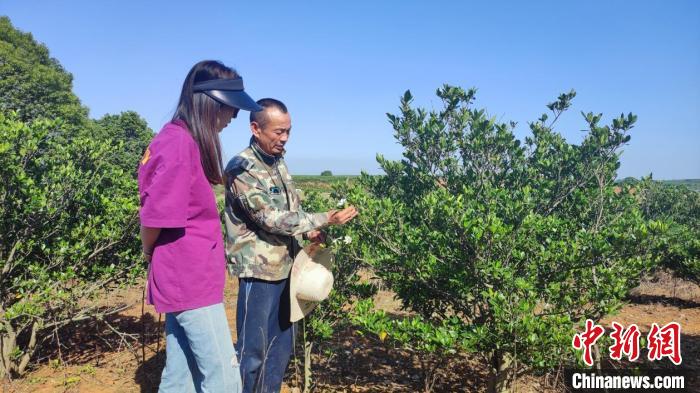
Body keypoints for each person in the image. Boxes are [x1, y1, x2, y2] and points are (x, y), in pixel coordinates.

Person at [138, 60, 262, 393]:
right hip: (188, 279)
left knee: (182, 376)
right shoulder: (177, 143)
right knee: (224, 380)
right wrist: (148, 252)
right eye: (230, 109)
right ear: (209, 103)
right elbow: (155, 218)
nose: (232, 118)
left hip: (191, 277)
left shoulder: (181, 140)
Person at [224, 98, 358, 393]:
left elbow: (290, 208)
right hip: (259, 273)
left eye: (288, 132)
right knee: (252, 352)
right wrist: (324, 219)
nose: (284, 139)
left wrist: (309, 233)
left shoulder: (278, 162)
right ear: (256, 128)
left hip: (288, 268)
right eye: (278, 132)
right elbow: (269, 218)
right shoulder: (241, 168)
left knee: (280, 348)